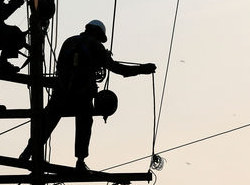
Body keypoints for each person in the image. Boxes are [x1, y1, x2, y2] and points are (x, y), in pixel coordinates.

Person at [20, 19, 156, 170]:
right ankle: (80, 162)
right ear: (98, 33)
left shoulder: (69, 41)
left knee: (47, 121)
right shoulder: (96, 47)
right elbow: (118, 69)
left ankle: (28, 152)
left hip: (60, 92)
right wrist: (142, 69)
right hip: (82, 95)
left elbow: (61, 66)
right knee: (84, 122)